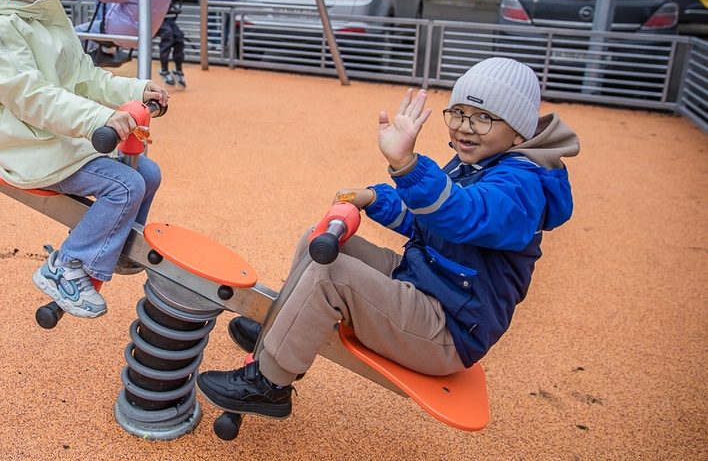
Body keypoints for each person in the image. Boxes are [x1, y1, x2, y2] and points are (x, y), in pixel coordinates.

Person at [196, 57, 580, 419]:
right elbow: (427, 222)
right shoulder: (478, 163)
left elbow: (462, 215)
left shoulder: (523, 187)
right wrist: (376, 197)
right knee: (320, 244)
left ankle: (269, 383)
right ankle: (281, 328)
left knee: (333, 275)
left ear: (518, 131)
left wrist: (407, 165)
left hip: (448, 329)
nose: (465, 126)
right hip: (426, 283)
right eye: (460, 113)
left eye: (483, 118)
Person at [0, 0, 170, 319]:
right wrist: (97, 120)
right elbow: (32, 96)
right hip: (27, 143)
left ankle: (117, 248)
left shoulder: (44, 13)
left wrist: (137, 88)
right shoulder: (1, 27)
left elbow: (85, 78)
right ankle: (65, 267)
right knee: (124, 186)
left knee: (149, 174)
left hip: (58, 137)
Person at [157, 0, 191, 88]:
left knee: (179, 37)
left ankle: (178, 68)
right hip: (156, 17)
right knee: (167, 35)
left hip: (167, 18)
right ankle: (164, 69)